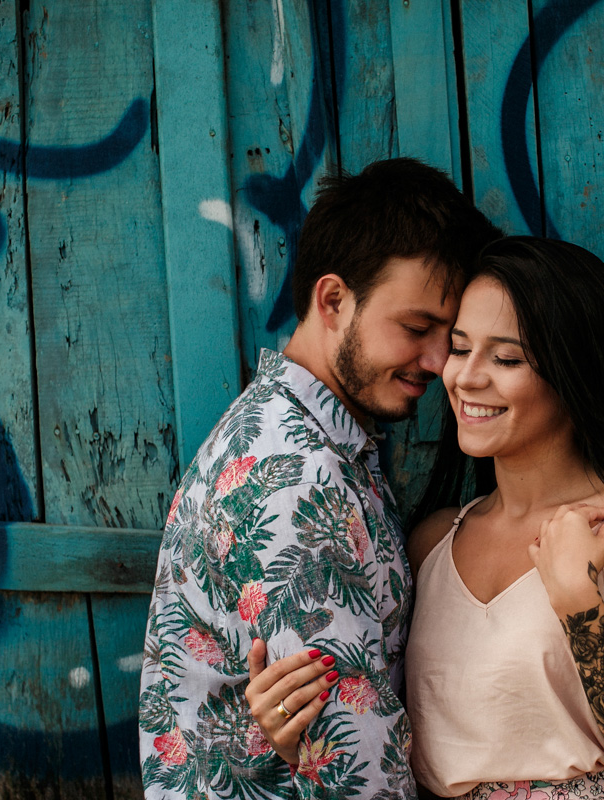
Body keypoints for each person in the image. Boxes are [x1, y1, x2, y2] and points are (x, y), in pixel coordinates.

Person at [250, 237, 604, 800]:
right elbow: (384, 723)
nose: (465, 377)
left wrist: (579, 606)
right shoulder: (432, 540)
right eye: (460, 348)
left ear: (574, 372)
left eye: (507, 358)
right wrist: (292, 730)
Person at [138, 157, 501, 799]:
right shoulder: (297, 485)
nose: (442, 362)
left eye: (453, 335)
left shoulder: (311, 439)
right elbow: (355, 772)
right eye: (417, 328)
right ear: (332, 299)